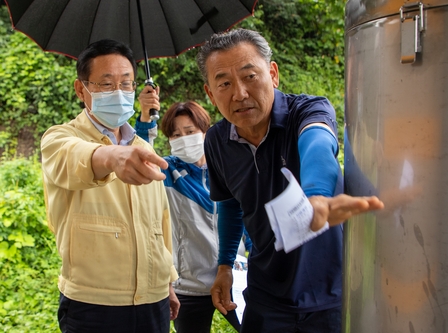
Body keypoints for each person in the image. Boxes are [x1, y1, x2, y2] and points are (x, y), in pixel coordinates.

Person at [195, 28, 385, 333]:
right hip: (265, 296)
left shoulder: (308, 111)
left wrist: (318, 195)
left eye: (250, 76)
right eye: (225, 83)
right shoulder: (217, 140)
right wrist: (225, 265)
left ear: (273, 74)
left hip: (330, 295)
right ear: (209, 93)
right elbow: (231, 204)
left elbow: (318, 143)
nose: (240, 94)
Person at [40, 39, 179, 333]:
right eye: (106, 84)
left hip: (153, 301)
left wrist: (167, 280)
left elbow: (161, 223)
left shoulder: (142, 146)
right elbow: (74, 158)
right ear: (81, 90)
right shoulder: (59, 138)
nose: (119, 92)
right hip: (93, 305)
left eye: (126, 84)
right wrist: (111, 156)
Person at [135, 99, 248, 332]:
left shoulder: (229, 169)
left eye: (189, 131)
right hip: (188, 286)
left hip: (232, 278)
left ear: (205, 132)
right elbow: (141, 156)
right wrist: (146, 118)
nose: (183, 139)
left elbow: (246, 218)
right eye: (175, 135)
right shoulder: (168, 172)